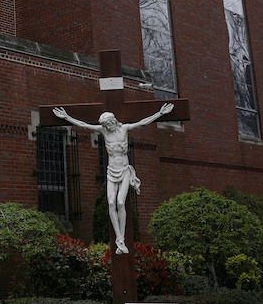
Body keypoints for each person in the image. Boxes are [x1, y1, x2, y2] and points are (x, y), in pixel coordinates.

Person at [53, 103, 174, 254]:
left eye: (109, 124)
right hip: (111, 171)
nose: (107, 127)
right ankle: (119, 240)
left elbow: (143, 122)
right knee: (111, 203)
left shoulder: (124, 129)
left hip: (124, 170)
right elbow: (84, 125)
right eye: (105, 125)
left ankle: (122, 237)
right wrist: (66, 117)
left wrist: (160, 113)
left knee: (120, 202)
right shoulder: (103, 131)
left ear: (114, 121)